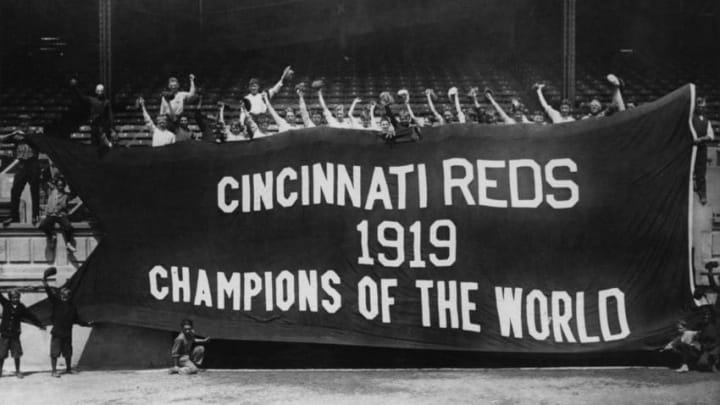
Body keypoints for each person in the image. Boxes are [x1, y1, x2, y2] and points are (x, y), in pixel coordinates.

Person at [42, 267, 91, 377]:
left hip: (67, 334)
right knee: (54, 353)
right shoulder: (57, 302)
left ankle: (68, 369)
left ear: (69, 296)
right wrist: (44, 282)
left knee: (68, 353)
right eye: (64, 295)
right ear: (60, 295)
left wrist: (88, 324)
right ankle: (54, 371)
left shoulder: (72, 307)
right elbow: (49, 293)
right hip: (57, 333)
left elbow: (77, 320)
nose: (66, 296)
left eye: (68, 295)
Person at [1, 115, 41, 226]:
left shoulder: (35, 133)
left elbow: (37, 142)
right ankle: (14, 217)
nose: (23, 124)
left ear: (29, 123)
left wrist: (24, 135)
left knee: (35, 191)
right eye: (21, 122)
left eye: (25, 122)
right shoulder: (17, 135)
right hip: (22, 164)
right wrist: (13, 133)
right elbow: (2, 139)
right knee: (15, 191)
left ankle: (35, 215)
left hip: (33, 162)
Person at [0, 289, 45, 378]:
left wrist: (39, 324)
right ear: (10, 298)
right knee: (1, 354)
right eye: (13, 298)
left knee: (17, 354)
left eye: (17, 297)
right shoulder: (6, 304)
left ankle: (17, 371)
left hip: (15, 335)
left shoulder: (21, 307)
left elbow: (30, 316)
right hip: (5, 334)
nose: (15, 299)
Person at [69, 78, 113, 152]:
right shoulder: (92, 100)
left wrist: (111, 128)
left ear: (103, 92)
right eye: (98, 90)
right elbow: (81, 97)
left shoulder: (106, 102)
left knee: (104, 147)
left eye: (101, 91)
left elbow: (109, 116)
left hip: (103, 127)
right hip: (94, 126)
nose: (100, 92)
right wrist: (74, 88)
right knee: (94, 145)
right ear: (96, 91)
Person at [38, 176, 79, 254]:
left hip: (61, 215)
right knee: (42, 225)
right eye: (59, 185)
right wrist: (46, 214)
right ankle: (52, 236)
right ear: (56, 185)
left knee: (68, 227)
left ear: (63, 186)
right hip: (52, 215)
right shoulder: (52, 193)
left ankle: (68, 243)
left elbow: (64, 204)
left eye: (62, 185)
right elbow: (49, 204)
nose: (60, 187)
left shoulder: (66, 195)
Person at [692, 97, 715, 205]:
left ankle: (702, 194)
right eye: (699, 106)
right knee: (688, 171)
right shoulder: (691, 119)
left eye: (703, 107)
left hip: (701, 149)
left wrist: (701, 139)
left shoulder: (707, 121)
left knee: (701, 172)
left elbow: (711, 136)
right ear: (696, 106)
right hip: (690, 149)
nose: (701, 108)